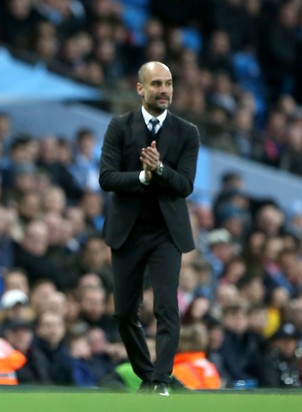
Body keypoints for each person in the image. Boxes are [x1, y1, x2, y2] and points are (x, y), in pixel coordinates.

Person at [98, 61, 200, 396]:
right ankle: (147, 374)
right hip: (127, 232)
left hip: (166, 233)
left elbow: (185, 185)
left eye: (169, 83)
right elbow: (107, 178)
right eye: (157, 84)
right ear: (140, 88)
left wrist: (160, 171)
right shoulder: (119, 126)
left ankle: (160, 380)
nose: (165, 90)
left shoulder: (187, 132)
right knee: (124, 312)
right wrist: (143, 176)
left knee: (166, 307)